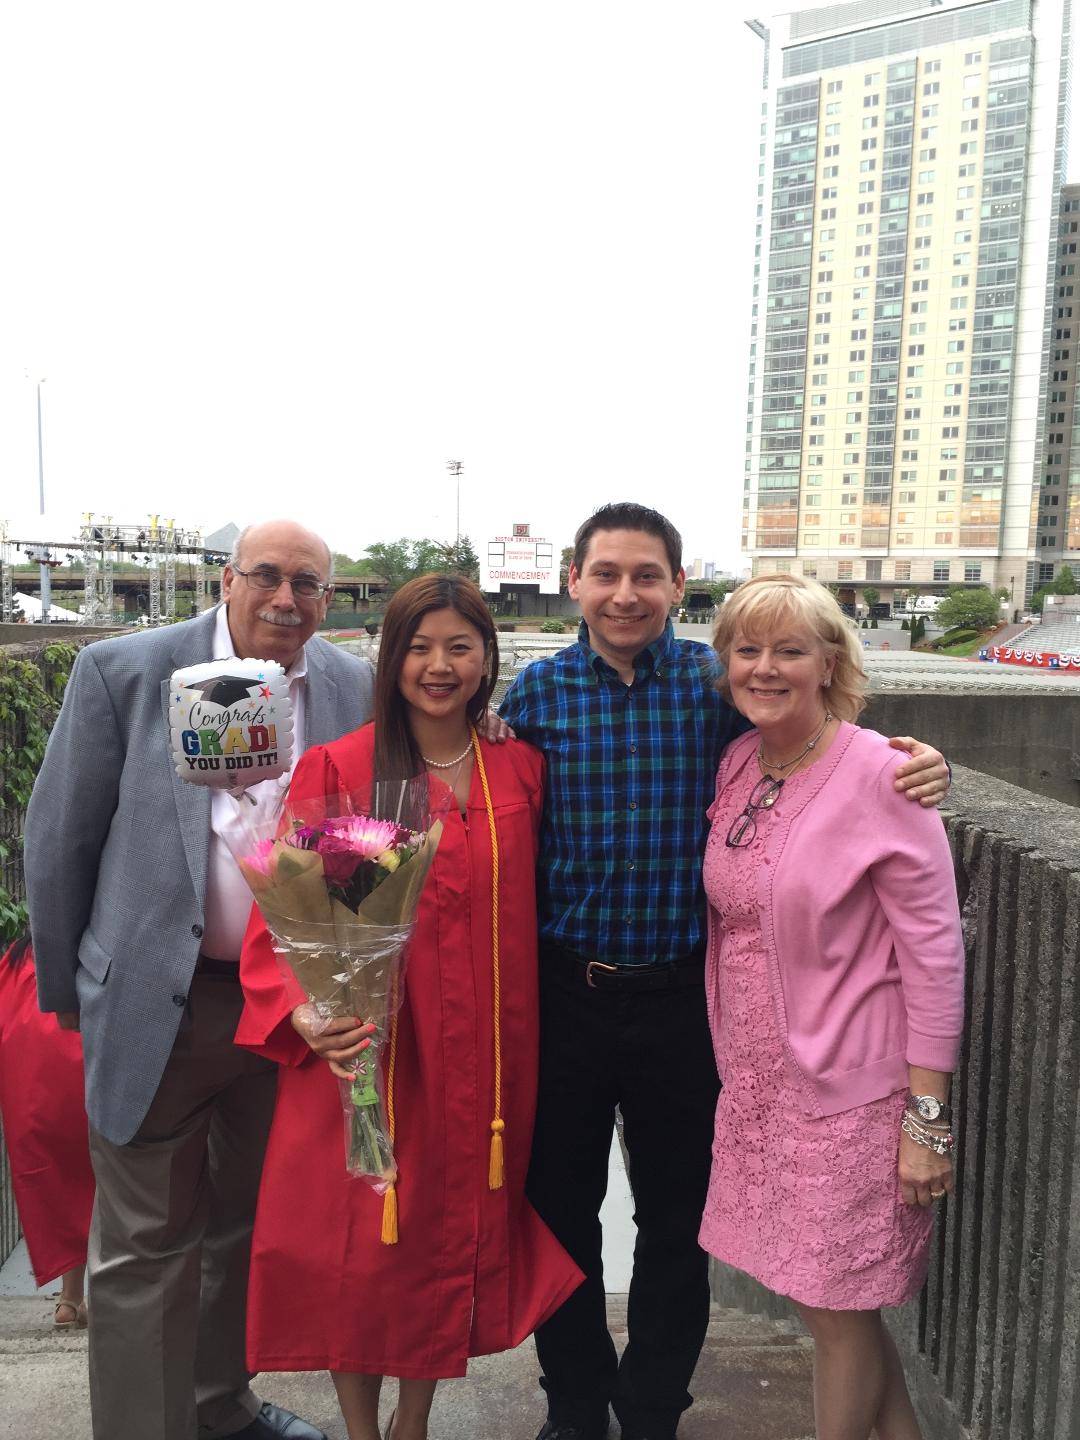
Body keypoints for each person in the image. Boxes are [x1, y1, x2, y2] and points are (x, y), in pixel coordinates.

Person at [497, 502, 951, 1440]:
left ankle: (654, 1409)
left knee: (678, 1228)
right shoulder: (533, 701)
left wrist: (917, 759)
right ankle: (576, 1408)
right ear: (574, 580)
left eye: (648, 575)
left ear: (676, 583)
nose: (627, 594)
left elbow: (821, 741)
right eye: (607, 573)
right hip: (566, 997)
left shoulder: (717, 695)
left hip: (684, 1008)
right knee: (560, 1219)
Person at [24, 519, 374, 1440]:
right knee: (144, 1244)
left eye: (309, 584)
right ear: (229, 580)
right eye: (267, 576)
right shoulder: (124, 672)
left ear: (328, 600)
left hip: (288, 1012)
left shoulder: (353, 685)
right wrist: (70, 993)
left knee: (243, 1227)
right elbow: (59, 840)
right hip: (152, 999)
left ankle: (221, 1409)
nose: (286, 599)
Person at [236, 574, 582, 1440]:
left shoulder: (520, 766)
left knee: (445, 1234)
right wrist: (307, 1015)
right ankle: (362, 1430)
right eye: (420, 648)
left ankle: (414, 1423)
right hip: (376, 1052)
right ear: (390, 661)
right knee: (364, 1252)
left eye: (460, 647)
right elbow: (286, 917)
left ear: (487, 659)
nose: (440, 666)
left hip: (491, 1053)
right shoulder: (344, 769)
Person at [700, 573, 964, 1440]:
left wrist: (926, 1121)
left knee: (838, 1308)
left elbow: (934, 955)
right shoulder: (741, 760)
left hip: (854, 1096)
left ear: (829, 663)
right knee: (838, 1308)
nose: (765, 668)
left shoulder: (886, 775)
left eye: (789, 650)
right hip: (762, 1089)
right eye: (747, 649)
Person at [0, 935, 93, 1328]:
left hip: (37, 1096)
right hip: (90, 1075)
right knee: (116, 1185)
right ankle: (113, 1296)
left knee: (62, 1182)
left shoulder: (17, 960)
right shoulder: (98, 945)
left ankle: (70, 1300)